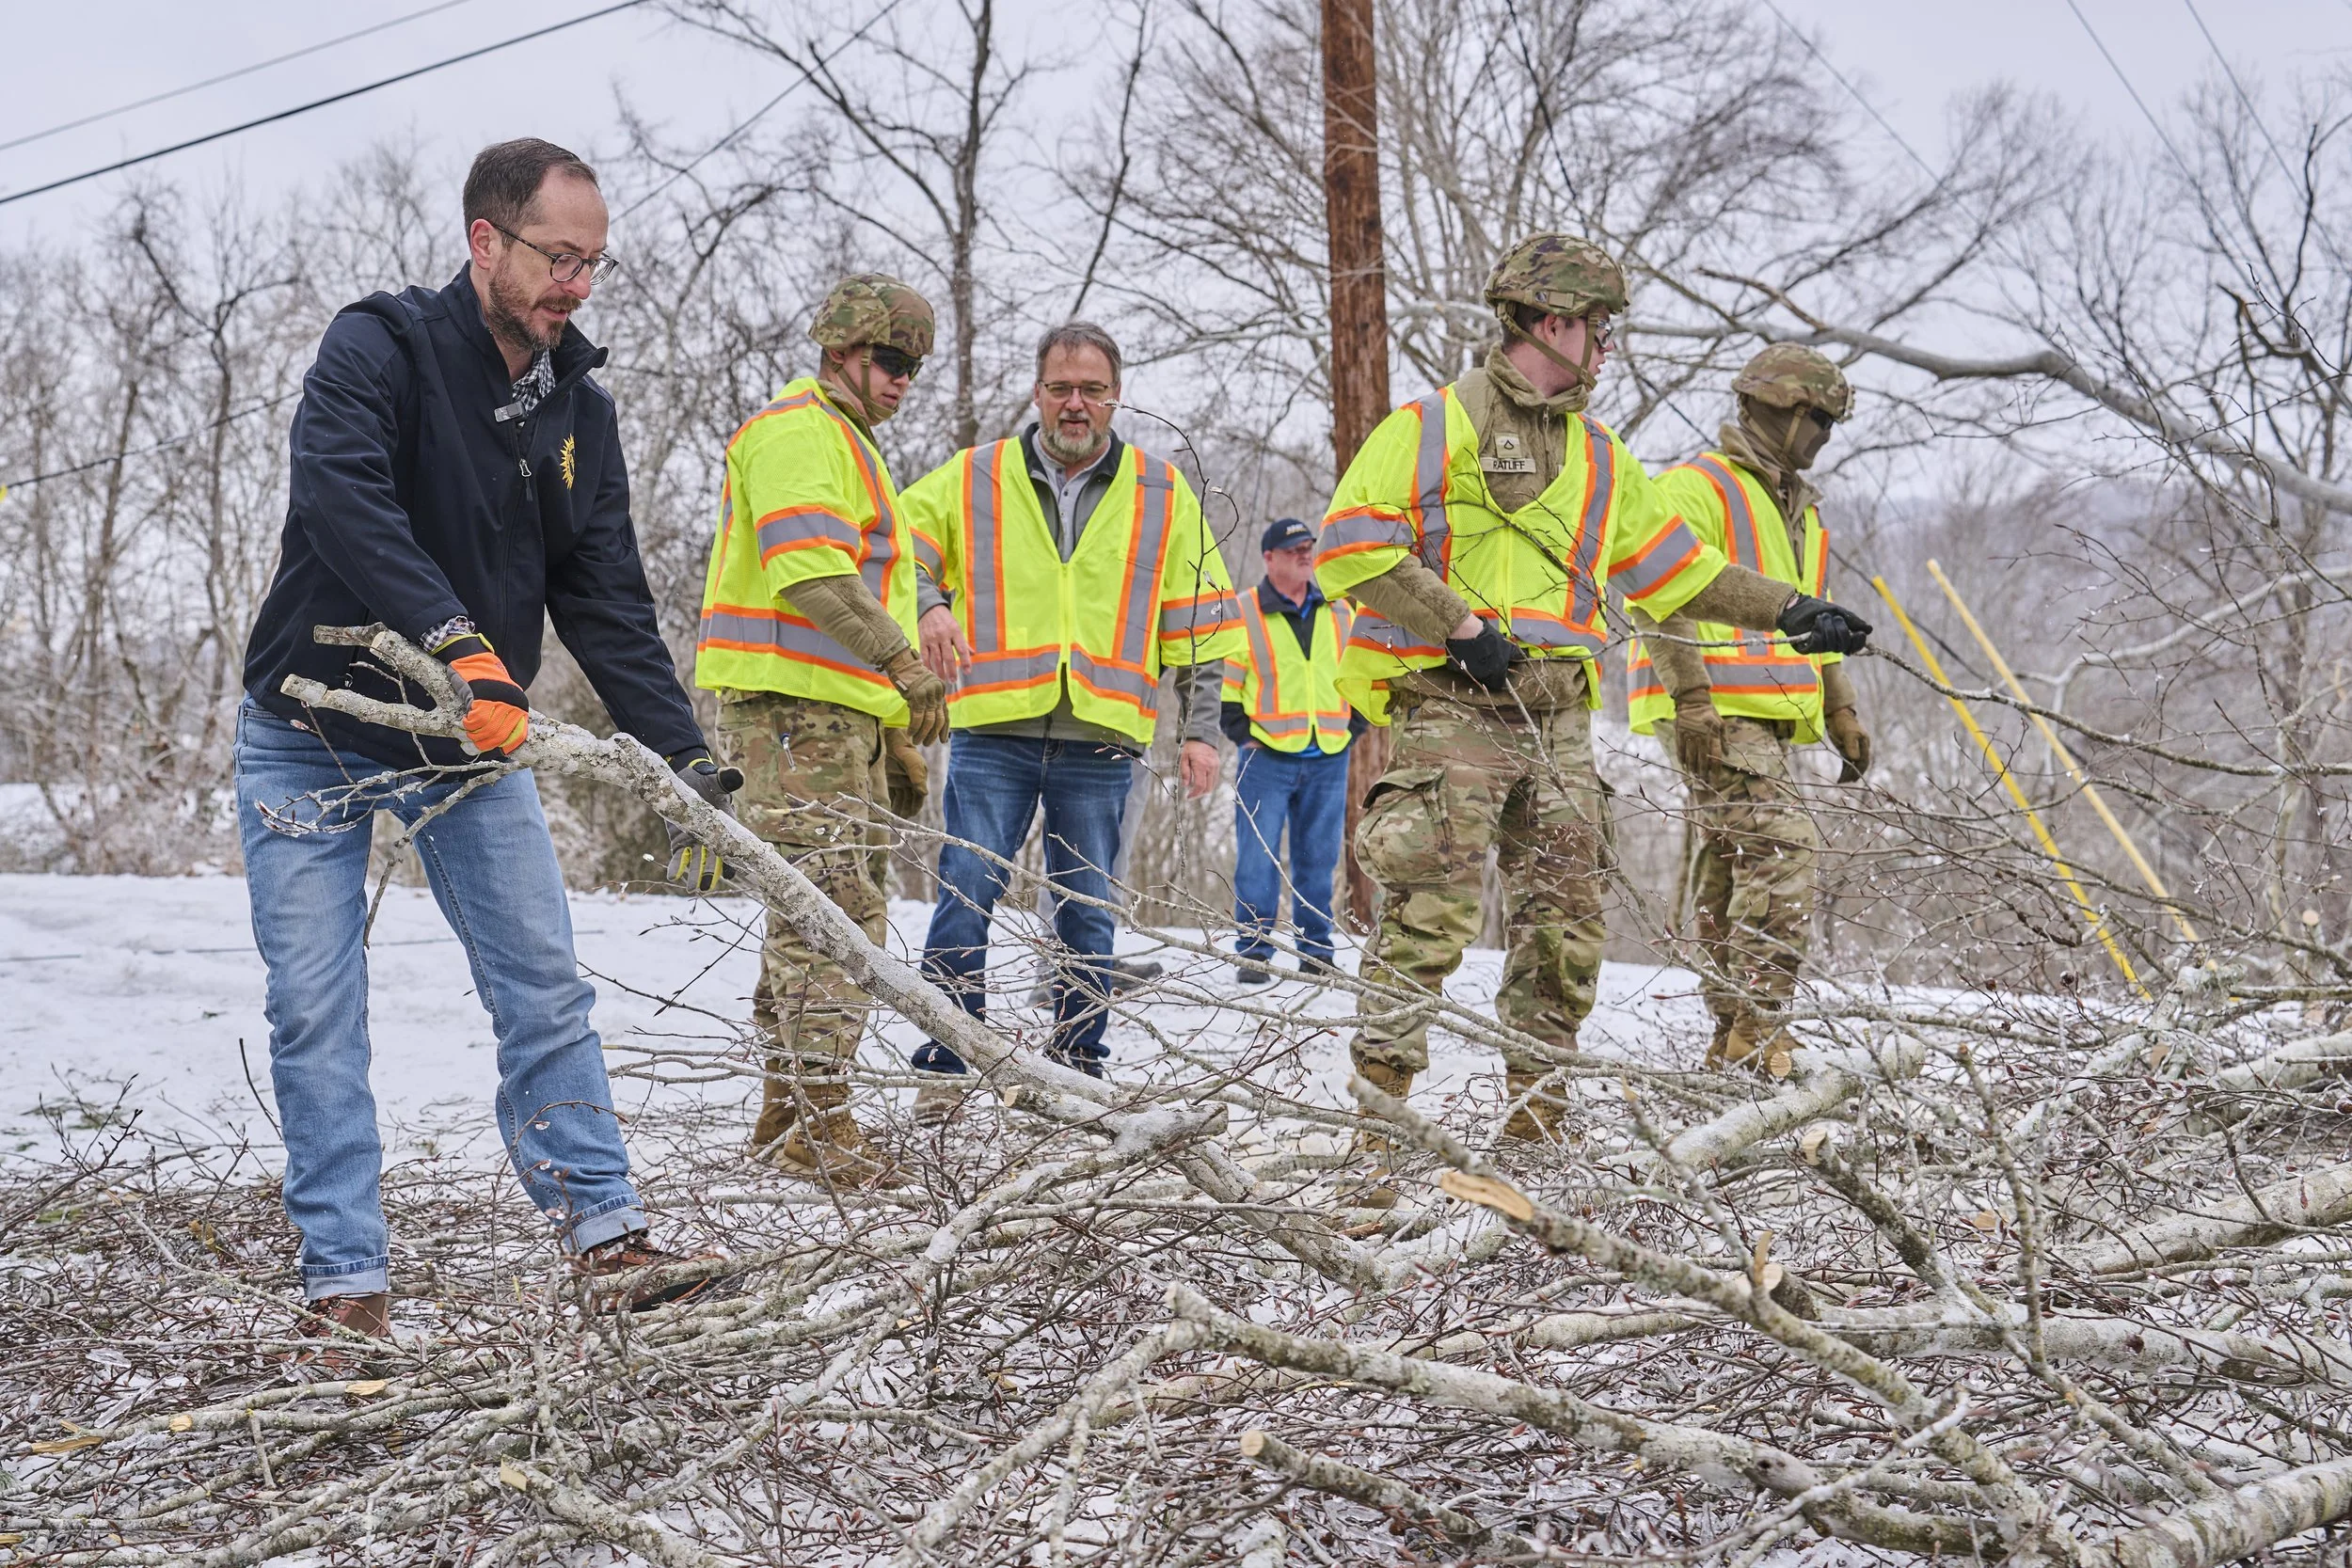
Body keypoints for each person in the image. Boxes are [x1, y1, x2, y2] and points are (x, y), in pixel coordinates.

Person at [237, 138, 732, 1343]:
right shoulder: (381, 346)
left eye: (594, 264)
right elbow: (341, 497)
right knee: (316, 1008)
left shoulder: (580, 410)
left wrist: (685, 758)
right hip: (310, 728)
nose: (577, 284)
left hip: (468, 743)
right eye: (559, 258)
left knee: (542, 986)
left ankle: (608, 1239)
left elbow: (606, 597)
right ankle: (344, 1284)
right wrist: (460, 641)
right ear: (486, 242)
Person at [1314, 233, 1873, 1196]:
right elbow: (1349, 545)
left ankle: (1535, 1135)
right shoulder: (1432, 424)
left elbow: (1675, 570)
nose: (1608, 345)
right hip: (1454, 710)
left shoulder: (1604, 457)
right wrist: (1454, 624)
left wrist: (1787, 609)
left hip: (1560, 718)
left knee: (1565, 929)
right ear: (1552, 322)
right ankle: (1378, 1143)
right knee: (1424, 921)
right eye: (1600, 326)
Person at [899, 322, 1242, 1112]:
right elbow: (898, 535)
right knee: (964, 893)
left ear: (1115, 396)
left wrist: (1198, 728)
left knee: (1089, 914)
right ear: (1037, 393)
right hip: (994, 731)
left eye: (1091, 389)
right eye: (1061, 388)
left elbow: (1202, 619)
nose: (1075, 403)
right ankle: (947, 1064)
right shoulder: (974, 475)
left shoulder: (1162, 492)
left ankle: (1076, 1069)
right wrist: (929, 604)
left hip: (1104, 739)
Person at [692, 273, 947, 1187]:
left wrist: (890, 729)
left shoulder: (846, 442)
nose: (900, 382)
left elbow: (844, 593)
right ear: (840, 350)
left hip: (828, 720)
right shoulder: (800, 432)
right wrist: (904, 665)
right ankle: (817, 1124)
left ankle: (782, 1114)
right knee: (834, 920)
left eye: (912, 369)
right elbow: (811, 579)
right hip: (794, 722)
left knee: (814, 913)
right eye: (889, 361)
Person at [1628, 344, 1871, 1074]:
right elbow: (1653, 589)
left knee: (1734, 866)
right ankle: (1761, 1030)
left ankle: (1732, 1038)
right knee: (1784, 849)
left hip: (1765, 713)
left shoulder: (1801, 509)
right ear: (1788, 411)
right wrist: (1692, 698)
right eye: (1821, 422)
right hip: (1712, 710)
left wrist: (1841, 708)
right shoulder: (1695, 487)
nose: (1825, 438)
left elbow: (1815, 624)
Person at [1221, 515, 1365, 986]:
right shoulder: (1243, 611)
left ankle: (1317, 953)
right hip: (1265, 757)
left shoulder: (1342, 610)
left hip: (1329, 755)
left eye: (1309, 547)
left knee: (1318, 859)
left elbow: (1363, 673)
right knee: (1256, 861)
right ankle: (1254, 952)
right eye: (1294, 549)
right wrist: (1244, 734)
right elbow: (1224, 685)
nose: (1306, 554)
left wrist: (1353, 725)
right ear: (1269, 558)